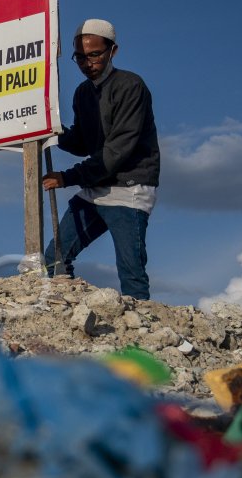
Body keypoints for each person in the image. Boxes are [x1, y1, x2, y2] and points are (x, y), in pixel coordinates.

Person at [42, 19, 160, 300]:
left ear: (112, 51)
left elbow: (117, 152)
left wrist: (67, 178)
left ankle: (140, 336)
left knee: (130, 272)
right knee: (54, 259)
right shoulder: (83, 92)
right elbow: (83, 143)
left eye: (94, 54)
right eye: (80, 57)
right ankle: (71, 313)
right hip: (96, 187)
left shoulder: (131, 86)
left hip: (128, 188)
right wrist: (51, 131)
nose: (87, 62)